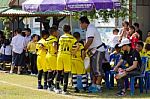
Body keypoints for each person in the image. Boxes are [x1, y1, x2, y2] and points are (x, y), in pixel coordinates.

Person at [79, 16, 105, 92]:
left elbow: (90, 40)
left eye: (81, 24)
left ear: (84, 23)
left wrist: (84, 49)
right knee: (93, 70)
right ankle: (93, 85)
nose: (80, 25)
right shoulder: (89, 29)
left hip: (98, 50)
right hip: (93, 51)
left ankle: (98, 86)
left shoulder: (90, 29)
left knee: (97, 69)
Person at [54, 25, 77, 94]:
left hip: (60, 54)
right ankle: (64, 90)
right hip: (67, 55)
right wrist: (74, 52)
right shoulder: (72, 38)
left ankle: (57, 88)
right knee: (66, 73)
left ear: (63, 30)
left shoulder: (61, 37)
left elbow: (55, 45)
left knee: (59, 72)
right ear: (70, 30)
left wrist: (57, 51)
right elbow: (77, 45)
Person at [45, 26, 59, 91]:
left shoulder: (47, 39)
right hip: (53, 56)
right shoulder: (54, 39)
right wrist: (57, 51)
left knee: (49, 71)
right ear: (53, 32)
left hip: (47, 55)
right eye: (56, 31)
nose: (57, 33)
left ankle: (49, 86)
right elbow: (54, 45)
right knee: (56, 71)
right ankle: (55, 86)